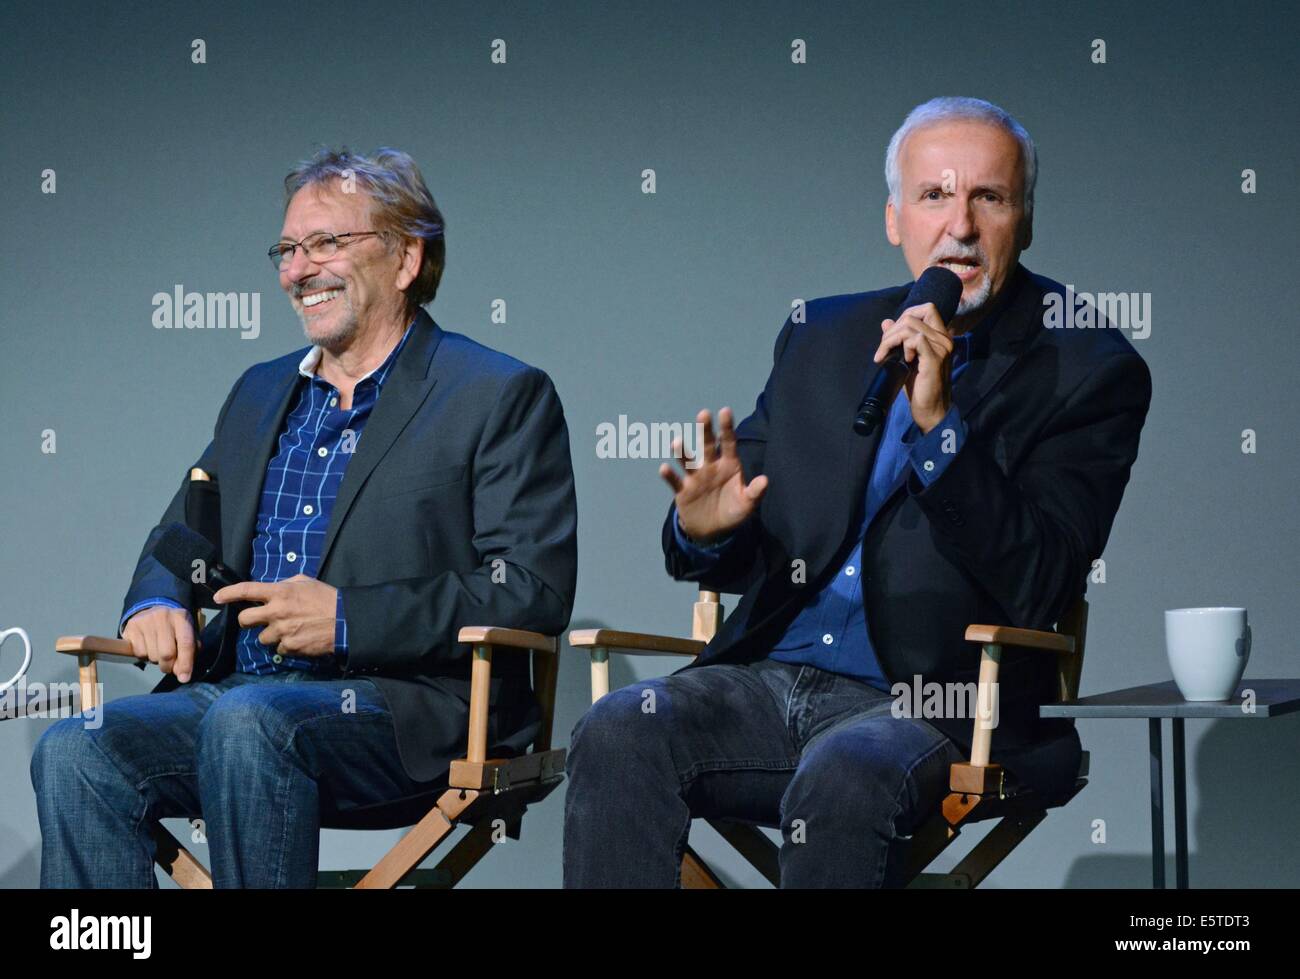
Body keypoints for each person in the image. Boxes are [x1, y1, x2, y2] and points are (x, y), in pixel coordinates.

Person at [563, 96, 1152, 888]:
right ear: (893, 219)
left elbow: (1042, 575)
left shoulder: (1088, 366)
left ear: (1026, 219)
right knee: (617, 730)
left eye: (990, 197)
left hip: (934, 701)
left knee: (844, 775)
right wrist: (706, 531)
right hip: (768, 678)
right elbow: (749, 531)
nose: (961, 226)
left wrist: (942, 425)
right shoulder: (824, 335)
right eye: (934, 196)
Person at [32, 147, 578, 888]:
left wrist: (349, 617)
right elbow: (184, 534)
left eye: (326, 243)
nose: (297, 269)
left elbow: (531, 590)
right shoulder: (259, 392)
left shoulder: (496, 394)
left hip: (415, 710)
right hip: (239, 697)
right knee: (73, 747)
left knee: (248, 722)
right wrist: (159, 597)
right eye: (288, 249)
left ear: (407, 257)